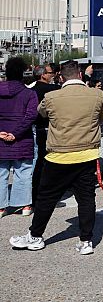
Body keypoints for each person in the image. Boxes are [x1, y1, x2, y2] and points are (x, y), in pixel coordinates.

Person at [9, 60, 103, 255]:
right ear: (80, 75)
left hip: (59, 155)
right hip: (87, 153)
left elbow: (42, 114)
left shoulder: (52, 96)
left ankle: (35, 236)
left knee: (46, 197)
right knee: (86, 198)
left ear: (61, 77)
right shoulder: (96, 95)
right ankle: (86, 240)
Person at [0, 57, 39, 217]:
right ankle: (24, 205)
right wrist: (15, 133)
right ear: (22, 73)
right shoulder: (29, 93)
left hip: (1, 138)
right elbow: (31, 116)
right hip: (22, 139)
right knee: (23, 172)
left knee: (1, 173)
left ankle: (1, 207)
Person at [30, 63, 60, 207]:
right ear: (43, 75)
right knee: (47, 162)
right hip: (49, 128)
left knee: (36, 161)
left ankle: (34, 192)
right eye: (50, 72)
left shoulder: (31, 89)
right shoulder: (53, 90)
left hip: (35, 128)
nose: (53, 74)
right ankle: (46, 192)